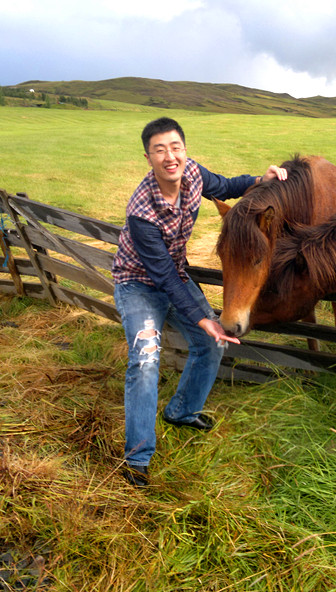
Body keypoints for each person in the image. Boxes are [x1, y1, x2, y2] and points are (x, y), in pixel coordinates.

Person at [111, 117, 287, 487]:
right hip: (139, 285)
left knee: (211, 342)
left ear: (185, 150)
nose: (169, 156)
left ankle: (182, 410)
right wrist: (202, 317)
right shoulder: (141, 212)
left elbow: (228, 185)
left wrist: (262, 179)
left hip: (174, 276)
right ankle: (138, 458)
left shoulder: (193, 174)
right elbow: (160, 276)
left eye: (175, 147)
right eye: (159, 150)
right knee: (145, 361)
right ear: (149, 158)